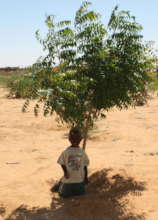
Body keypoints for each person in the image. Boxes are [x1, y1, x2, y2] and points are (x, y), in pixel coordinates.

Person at [53, 127, 89, 198]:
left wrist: (65, 172)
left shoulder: (65, 152)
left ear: (69, 139)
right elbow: (85, 166)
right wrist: (85, 178)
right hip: (79, 183)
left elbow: (62, 163)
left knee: (62, 193)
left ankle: (60, 189)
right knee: (81, 193)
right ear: (81, 140)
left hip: (68, 184)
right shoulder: (82, 152)